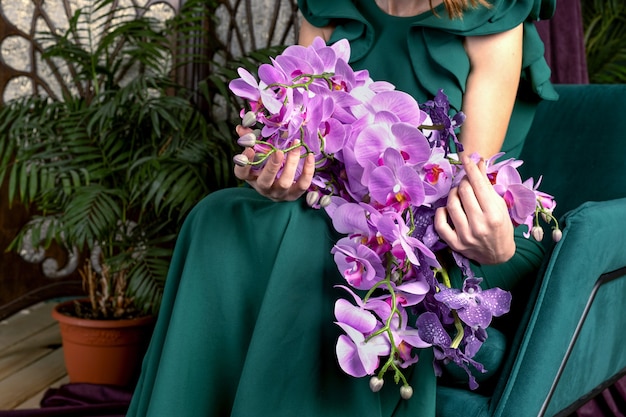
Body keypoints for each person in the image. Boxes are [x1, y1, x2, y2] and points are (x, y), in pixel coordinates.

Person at [126, 0, 557, 416]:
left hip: (462, 228)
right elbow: (309, 136)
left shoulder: (495, 10)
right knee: (219, 215)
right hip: (341, 205)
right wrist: (279, 173)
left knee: (309, 238)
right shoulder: (330, 4)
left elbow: (461, 184)